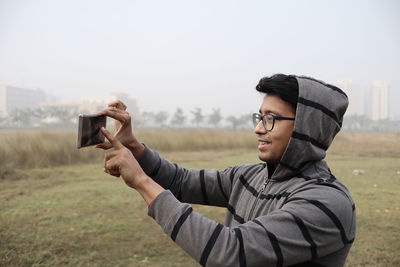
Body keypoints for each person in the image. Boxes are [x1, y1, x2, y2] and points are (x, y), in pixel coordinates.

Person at [96, 74, 356, 267]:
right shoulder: (250, 176)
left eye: (271, 119)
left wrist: (141, 181)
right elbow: (182, 181)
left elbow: (230, 252)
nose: (258, 128)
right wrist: (135, 148)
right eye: (259, 117)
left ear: (304, 129)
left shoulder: (327, 203)